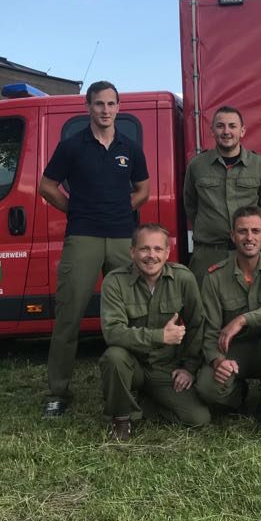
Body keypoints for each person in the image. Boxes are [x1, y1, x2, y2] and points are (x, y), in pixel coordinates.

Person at [39, 80, 150, 417]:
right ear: (87, 107)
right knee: (69, 316)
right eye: (99, 104)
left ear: (119, 108)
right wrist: (74, 208)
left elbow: (143, 189)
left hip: (121, 237)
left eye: (111, 104)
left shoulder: (129, 148)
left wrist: (120, 208)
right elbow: (46, 185)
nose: (105, 110)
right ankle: (58, 392)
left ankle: (140, 383)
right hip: (83, 236)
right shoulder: (72, 146)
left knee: (132, 313)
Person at [99, 224, 210, 440]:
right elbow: (112, 332)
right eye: (144, 249)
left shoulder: (183, 278)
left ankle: (144, 403)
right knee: (114, 357)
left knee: (199, 418)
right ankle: (121, 419)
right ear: (132, 252)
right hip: (132, 365)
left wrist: (189, 368)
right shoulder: (115, 281)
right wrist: (160, 336)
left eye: (158, 249)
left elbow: (198, 324)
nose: (151, 256)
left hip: (166, 369)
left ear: (168, 252)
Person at [195, 206, 261, 416]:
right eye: (242, 231)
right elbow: (210, 332)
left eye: (255, 231)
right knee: (207, 387)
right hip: (234, 352)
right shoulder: (215, 277)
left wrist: (242, 319)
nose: (249, 237)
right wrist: (218, 361)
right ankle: (239, 397)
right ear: (232, 236)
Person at [184, 106, 261, 283]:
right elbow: (190, 205)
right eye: (220, 126)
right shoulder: (197, 166)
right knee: (206, 306)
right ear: (212, 131)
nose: (226, 131)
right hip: (208, 253)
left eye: (232, 126)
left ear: (242, 131)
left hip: (245, 252)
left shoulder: (259, 165)